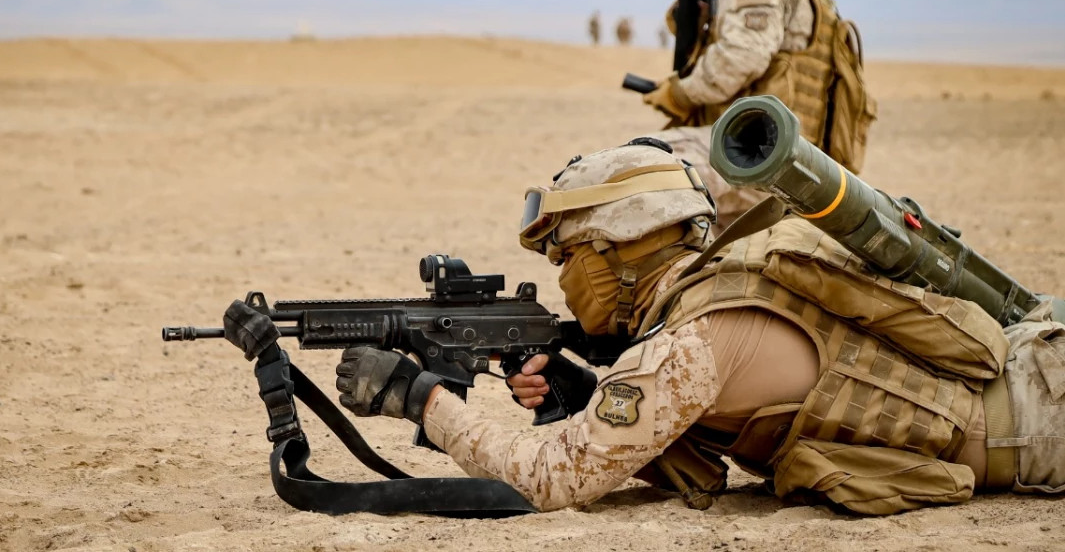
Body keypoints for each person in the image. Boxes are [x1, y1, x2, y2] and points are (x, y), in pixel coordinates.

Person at [334, 139, 1065, 514]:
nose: (562, 278)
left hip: (1043, 423)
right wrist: (587, 391)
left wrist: (422, 400)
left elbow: (551, 478)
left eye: (568, 256)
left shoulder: (690, 341)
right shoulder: (723, 286)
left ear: (619, 252)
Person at [640, 0, 876, 225]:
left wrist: (680, 93)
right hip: (791, 164)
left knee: (642, 166)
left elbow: (741, 58)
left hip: (761, 159)